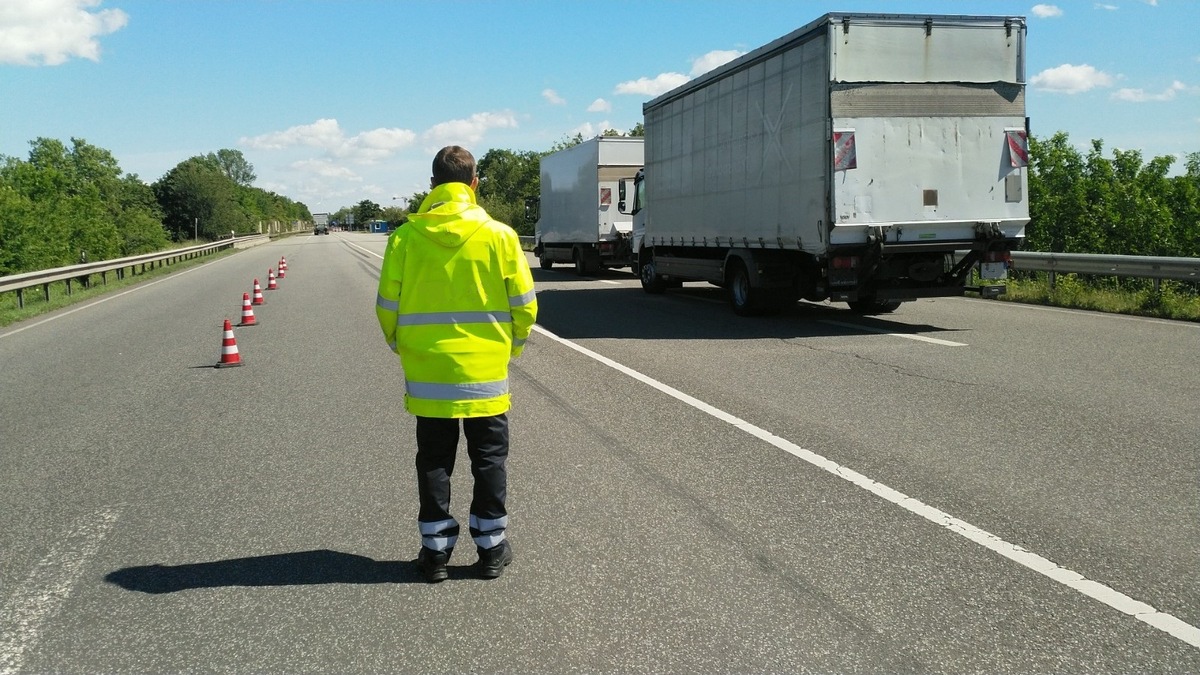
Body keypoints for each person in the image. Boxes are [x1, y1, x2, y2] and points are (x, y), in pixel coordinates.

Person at [375, 146, 538, 583]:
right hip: (485, 374)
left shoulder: (405, 239)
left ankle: (435, 555)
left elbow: (386, 306)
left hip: (429, 375)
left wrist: (403, 345)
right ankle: (490, 551)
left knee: (433, 460)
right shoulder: (500, 236)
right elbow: (525, 305)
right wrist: (511, 348)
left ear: (432, 186)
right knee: (489, 461)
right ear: (474, 183)